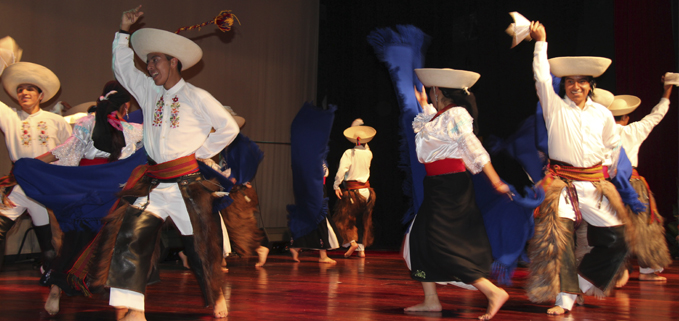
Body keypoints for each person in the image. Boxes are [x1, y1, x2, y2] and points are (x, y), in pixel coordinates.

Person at [93, 6, 239, 321]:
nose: (149, 66)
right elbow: (122, 69)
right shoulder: (148, 91)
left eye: (155, 60)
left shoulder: (197, 96)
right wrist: (122, 33)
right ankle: (134, 309)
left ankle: (217, 293)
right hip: (154, 183)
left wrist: (201, 151)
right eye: (147, 61)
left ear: (174, 61)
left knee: (201, 249)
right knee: (131, 237)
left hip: (187, 185)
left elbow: (230, 128)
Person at [526, 21, 634, 315]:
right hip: (562, 185)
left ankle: (582, 284)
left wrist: (610, 170)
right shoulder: (555, 108)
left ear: (590, 84)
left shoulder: (601, 112)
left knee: (619, 238)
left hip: (594, 185)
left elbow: (613, 144)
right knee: (561, 243)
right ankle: (564, 300)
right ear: (564, 85)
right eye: (570, 82)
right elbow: (540, 78)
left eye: (581, 81)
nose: (575, 86)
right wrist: (541, 42)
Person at [15, 80, 144, 315]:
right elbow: (136, 162)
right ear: (126, 105)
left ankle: (55, 290)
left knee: (73, 243)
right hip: (110, 193)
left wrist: (29, 166)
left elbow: (61, 152)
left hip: (83, 189)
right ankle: (121, 304)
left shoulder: (86, 123)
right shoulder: (134, 132)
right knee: (115, 245)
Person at [404, 68, 510, 320]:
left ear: (437, 90)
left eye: (431, 91)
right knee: (418, 238)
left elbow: (471, 145)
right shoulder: (439, 117)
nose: (429, 94)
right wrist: (425, 106)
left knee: (442, 243)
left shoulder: (457, 115)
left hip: (451, 185)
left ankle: (492, 291)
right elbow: (436, 136)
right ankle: (431, 300)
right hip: (436, 184)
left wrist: (495, 180)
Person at [0, 61, 71, 272]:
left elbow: (70, 153)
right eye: (20, 90)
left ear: (40, 95)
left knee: (49, 248)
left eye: (30, 89)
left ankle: (52, 281)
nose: (24, 93)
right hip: (21, 187)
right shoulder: (10, 117)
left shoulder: (56, 121)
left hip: (46, 189)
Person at [607, 80, 673, 283]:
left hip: (608, 184)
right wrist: (667, 91)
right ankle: (647, 269)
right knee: (644, 226)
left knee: (612, 227)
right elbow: (656, 115)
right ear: (626, 118)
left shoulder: (601, 132)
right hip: (633, 183)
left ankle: (617, 270)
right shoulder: (634, 130)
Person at [288, 103, 340, 264]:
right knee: (320, 220)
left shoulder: (316, 153)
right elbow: (322, 172)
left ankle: (296, 247)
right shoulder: (311, 154)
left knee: (313, 219)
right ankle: (321, 255)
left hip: (315, 189)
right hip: (314, 190)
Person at [332, 119, 376, 258]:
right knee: (364, 219)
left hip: (353, 192)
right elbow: (365, 147)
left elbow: (341, 170)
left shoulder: (349, 153)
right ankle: (361, 249)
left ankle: (352, 243)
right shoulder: (369, 153)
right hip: (367, 192)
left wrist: (336, 185)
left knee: (343, 219)